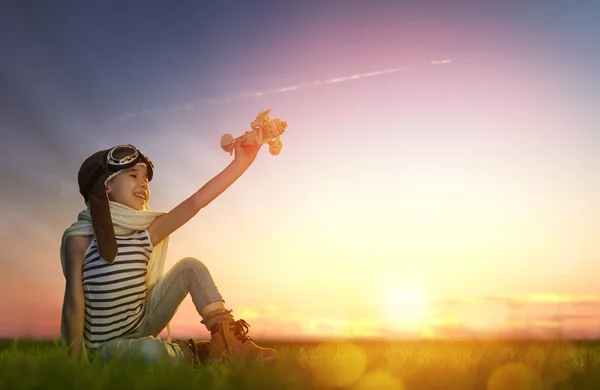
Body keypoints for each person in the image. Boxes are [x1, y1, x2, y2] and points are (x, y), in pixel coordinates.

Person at [59, 140, 277, 367]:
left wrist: (241, 162)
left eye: (146, 179)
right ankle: (194, 354)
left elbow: (196, 202)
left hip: (142, 322)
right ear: (106, 186)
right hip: (106, 347)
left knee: (190, 267)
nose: (144, 184)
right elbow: (74, 303)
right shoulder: (80, 240)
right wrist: (75, 365)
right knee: (150, 353)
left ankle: (227, 343)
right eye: (134, 176)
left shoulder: (146, 234)